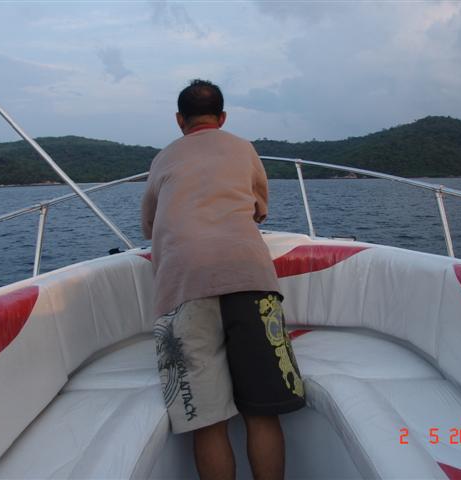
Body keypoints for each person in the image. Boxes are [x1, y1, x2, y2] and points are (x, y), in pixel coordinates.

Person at [141, 79, 305, 480]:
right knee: (262, 414)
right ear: (223, 117)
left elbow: (149, 226)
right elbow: (259, 209)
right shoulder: (244, 148)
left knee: (208, 423)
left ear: (179, 120)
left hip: (184, 286)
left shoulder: (162, 159)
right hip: (250, 278)